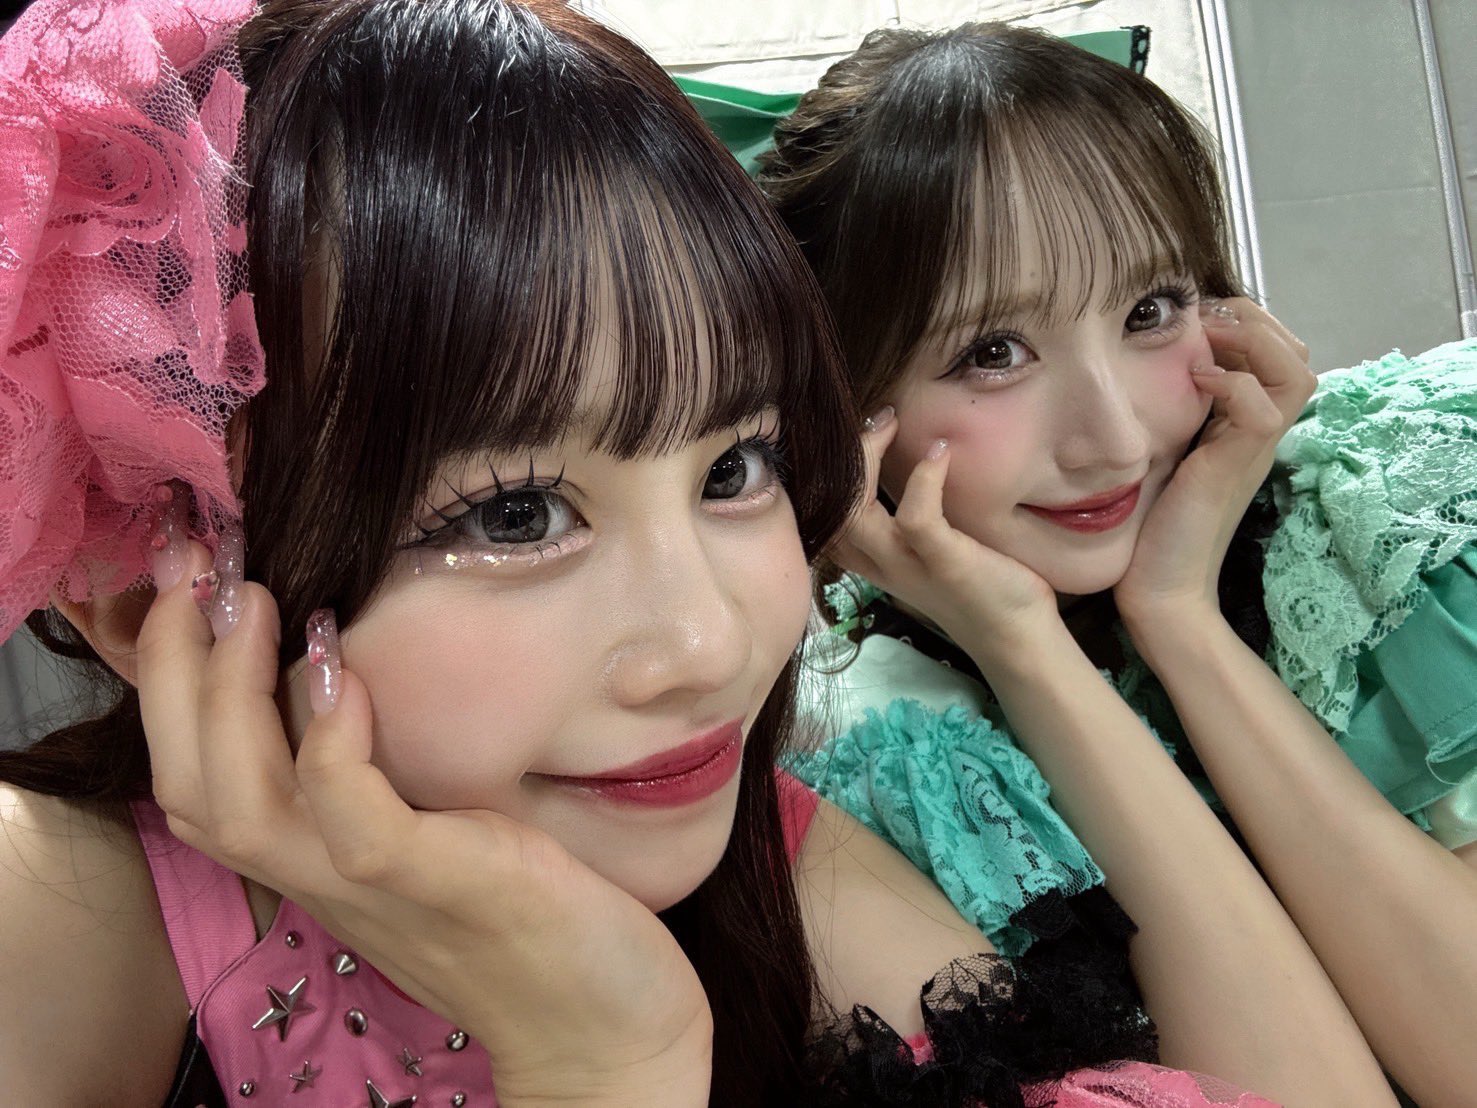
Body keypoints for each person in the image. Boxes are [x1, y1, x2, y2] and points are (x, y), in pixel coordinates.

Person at [0, 1, 1346, 1105]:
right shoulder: (58, 912)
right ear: (145, 600)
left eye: (733, 469)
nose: (710, 650)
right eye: (516, 515)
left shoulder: (764, 843)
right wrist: (605, 1063)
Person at [759, 19, 1477, 1107]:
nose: (1113, 439)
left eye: (1149, 310)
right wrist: (1022, 648)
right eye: (991, 353)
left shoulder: (1384, 531)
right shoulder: (875, 759)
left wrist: (1178, 617)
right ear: (843, 402)